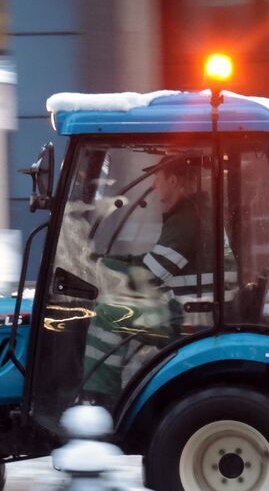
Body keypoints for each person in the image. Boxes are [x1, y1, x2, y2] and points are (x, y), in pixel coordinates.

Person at [81, 155, 215, 401]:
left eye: (157, 178)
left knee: (108, 314)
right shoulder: (192, 214)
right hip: (194, 308)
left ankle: (96, 401)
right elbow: (157, 261)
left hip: (188, 316)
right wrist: (114, 261)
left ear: (172, 180)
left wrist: (103, 268)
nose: (154, 185)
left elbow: (151, 276)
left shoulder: (188, 219)